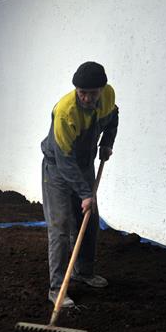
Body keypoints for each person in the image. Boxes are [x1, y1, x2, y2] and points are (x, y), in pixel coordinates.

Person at [40, 61, 119, 308]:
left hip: (84, 165)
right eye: (81, 92)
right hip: (58, 168)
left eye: (91, 93)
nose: (86, 98)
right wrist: (85, 193)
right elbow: (64, 161)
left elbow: (113, 117)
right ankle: (57, 289)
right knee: (61, 226)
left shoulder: (108, 96)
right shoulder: (66, 112)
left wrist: (107, 142)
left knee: (90, 220)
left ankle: (83, 272)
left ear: (101, 89)